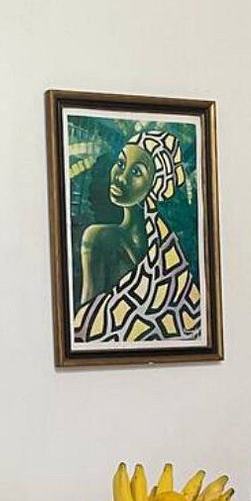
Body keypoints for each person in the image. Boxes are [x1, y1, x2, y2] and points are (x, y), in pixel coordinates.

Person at [72, 129, 203, 343]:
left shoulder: (170, 258)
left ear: (155, 183)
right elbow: (87, 325)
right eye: (121, 164)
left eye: (136, 172)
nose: (121, 177)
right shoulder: (98, 238)